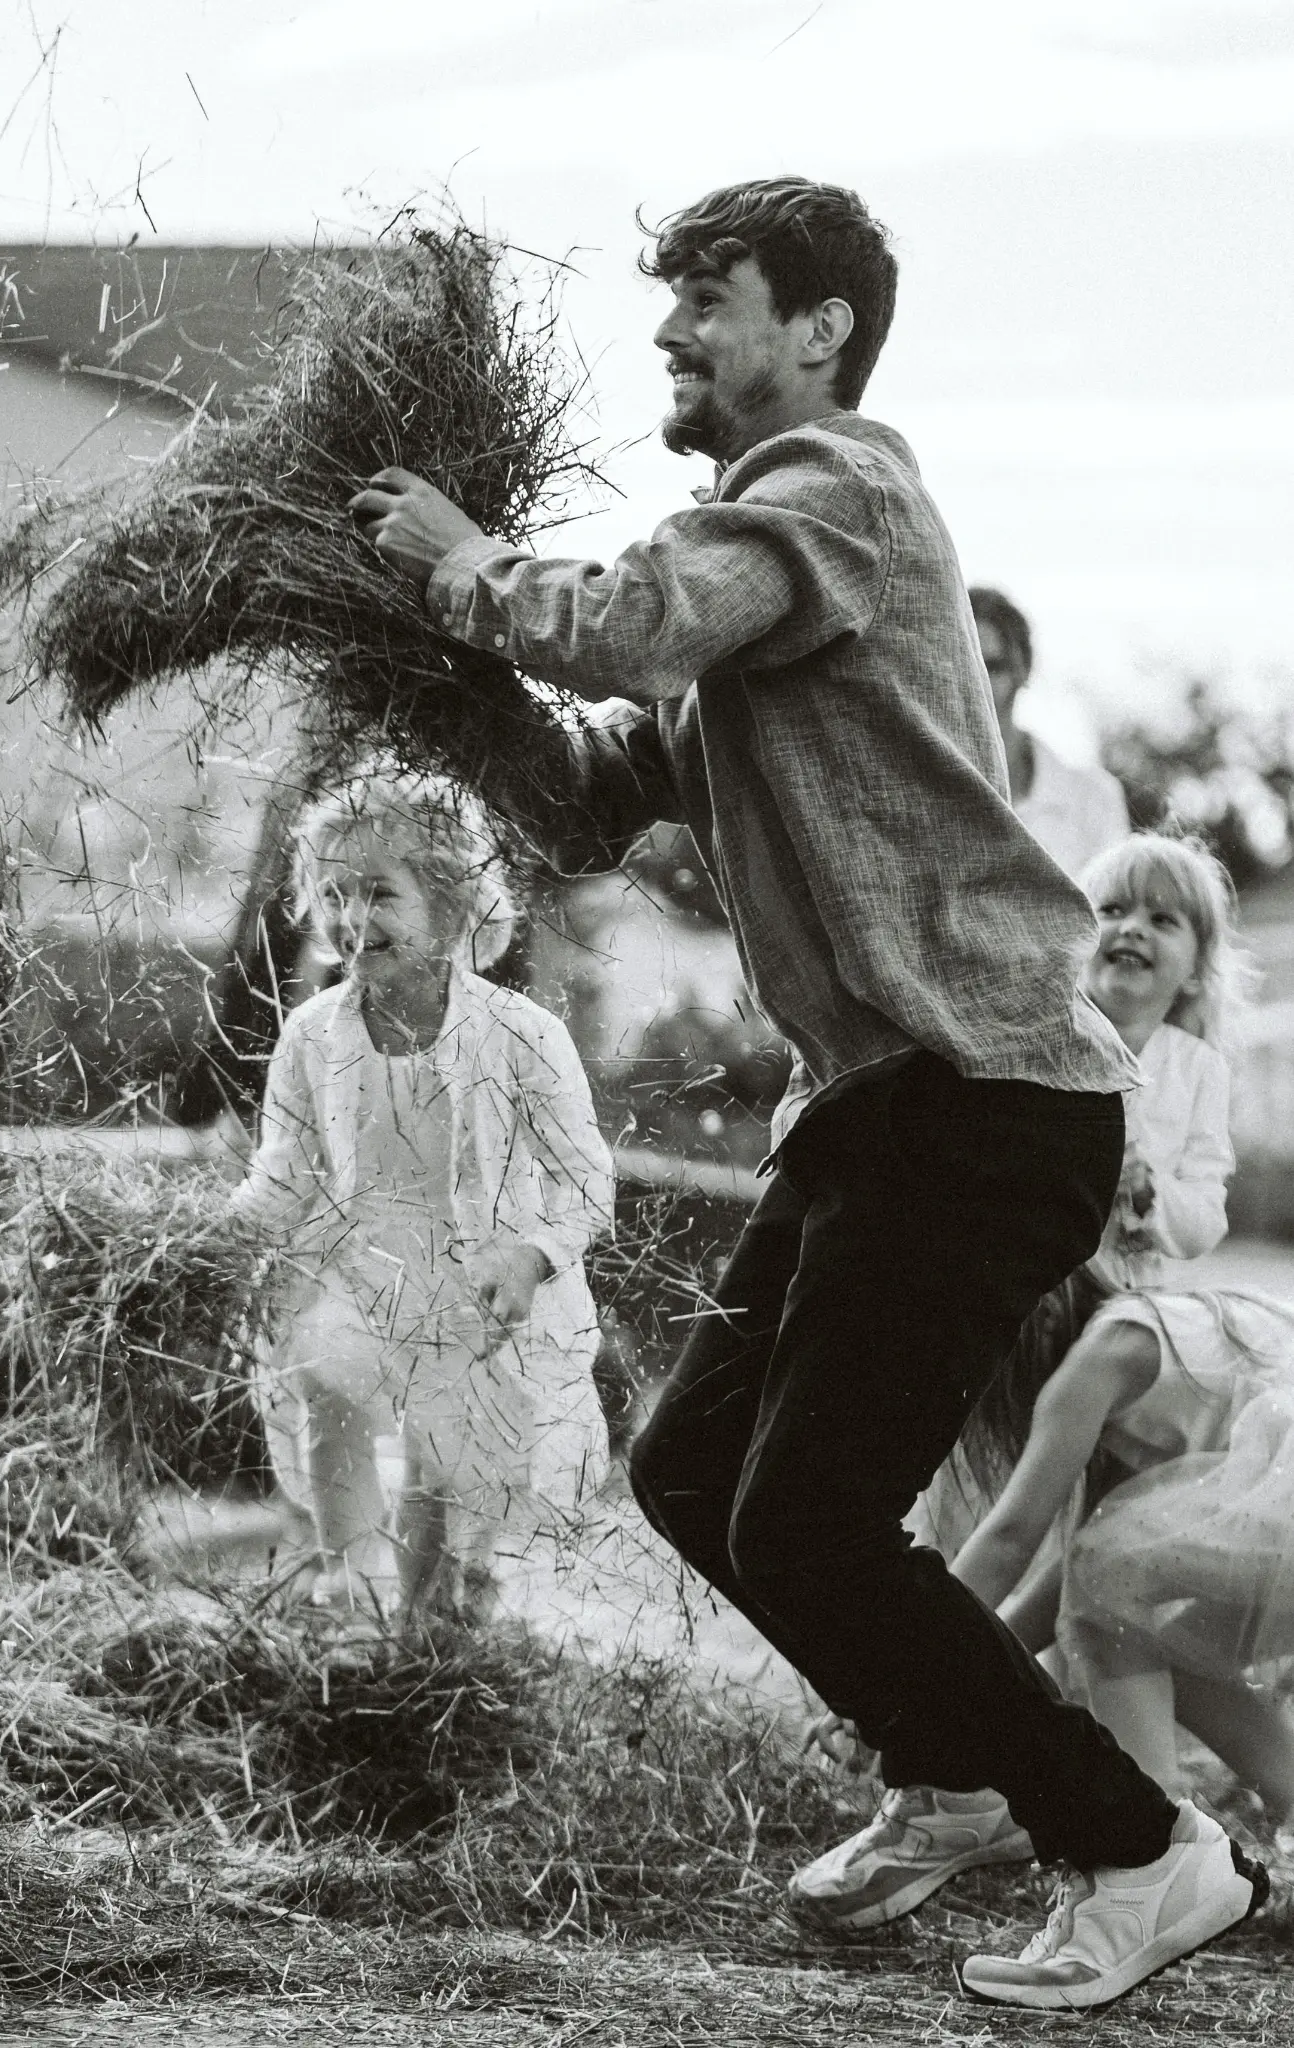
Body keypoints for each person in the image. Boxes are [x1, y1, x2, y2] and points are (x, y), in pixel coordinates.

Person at [348, 178, 1266, 2007]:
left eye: (712, 300)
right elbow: (600, 781)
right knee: (692, 1466)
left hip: (988, 1093)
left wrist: (469, 564)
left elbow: (617, 624)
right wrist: (426, 665)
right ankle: (948, 1766)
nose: (675, 335)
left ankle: (1146, 1846)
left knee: (813, 1519)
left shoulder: (834, 491)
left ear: (820, 330)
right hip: (879, 1106)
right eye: (674, 303)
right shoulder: (754, 574)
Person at [791, 832, 1294, 1932]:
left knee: (1103, 1607)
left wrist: (899, 1681)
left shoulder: (1190, 1083)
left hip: (1158, 1319)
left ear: (1197, 963)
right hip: (1169, 1354)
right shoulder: (1053, 1045)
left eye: (1162, 919)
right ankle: (1167, 1842)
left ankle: (1151, 1858)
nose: (1131, 929)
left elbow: (1016, 1545)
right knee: (1125, 1613)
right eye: (1110, 906)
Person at [230, 768, 613, 1623]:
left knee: (448, 1469)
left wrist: (531, 1253)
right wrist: (207, 1245)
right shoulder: (312, 1035)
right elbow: (283, 1170)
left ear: (452, 907)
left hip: (475, 1283)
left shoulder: (521, 1035)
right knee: (324, 1373)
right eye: (330, 892)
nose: (349, 916)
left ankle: (429, 1620)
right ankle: (346, 1581)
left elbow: (585, 1176)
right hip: (360, 1269)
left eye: (379, 892)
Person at [971, 586, 1130, 877]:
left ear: (1024, 671)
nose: (978, 684)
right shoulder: (921, 792)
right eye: (966, 666)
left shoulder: (1094, 797)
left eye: (993, 667)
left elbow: (1112, 908)